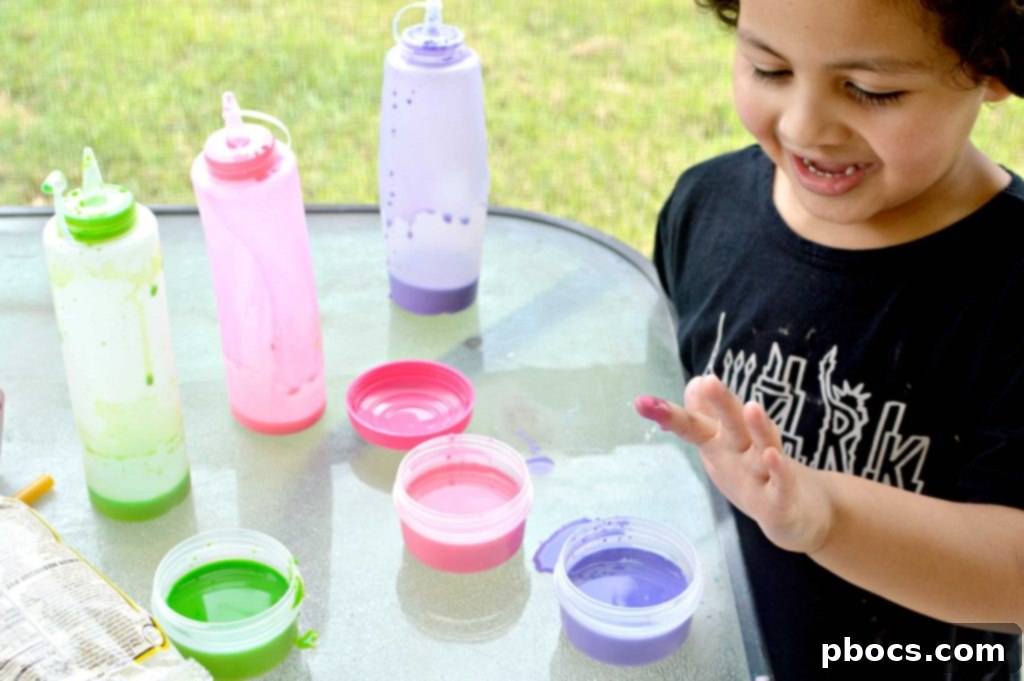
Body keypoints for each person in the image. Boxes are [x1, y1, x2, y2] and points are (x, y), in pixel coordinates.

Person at [634, 0, 1024, 678]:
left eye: (872, 90)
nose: (804, 125)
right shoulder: (704, 207)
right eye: (769, 68)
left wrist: (822, 517)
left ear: (994, 67)